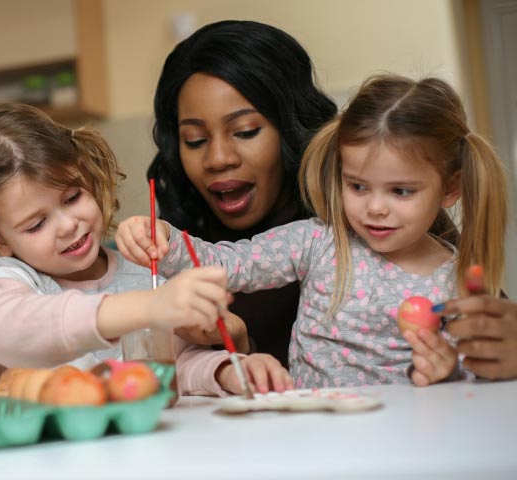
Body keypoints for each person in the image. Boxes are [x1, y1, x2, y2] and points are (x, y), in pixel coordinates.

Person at [117, 74, 508, 388]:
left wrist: (447, 375)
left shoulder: (457, 282)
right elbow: (230, 264)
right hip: (310, 436)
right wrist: (164, 240)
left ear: (451, 189)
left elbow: (479, 379)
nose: (374, 207)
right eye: (357, 186)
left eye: (401, 191)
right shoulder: (318, 241)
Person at [0, 103, 292, 396]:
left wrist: (227, 370)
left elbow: (171, 370)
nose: (68, 224)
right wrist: (146, 308)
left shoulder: (140, 276)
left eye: (73, 197)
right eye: (36, 224)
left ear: (87, 176)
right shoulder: (12, 283)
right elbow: (3, 331)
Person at [148, 20, 337, 367]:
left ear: (290, 129)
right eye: (196, 141)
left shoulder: (364, 222)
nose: (218, 159)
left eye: (246, 131)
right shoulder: (174, 249)